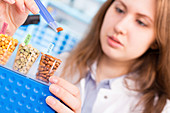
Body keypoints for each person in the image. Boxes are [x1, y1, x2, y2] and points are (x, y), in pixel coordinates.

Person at [1, 0, 170, 113]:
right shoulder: (57, 66)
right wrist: (3, 30)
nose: (120, 26)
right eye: (119, 10)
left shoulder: (159, 108)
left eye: (141, 22)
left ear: (158, 38)